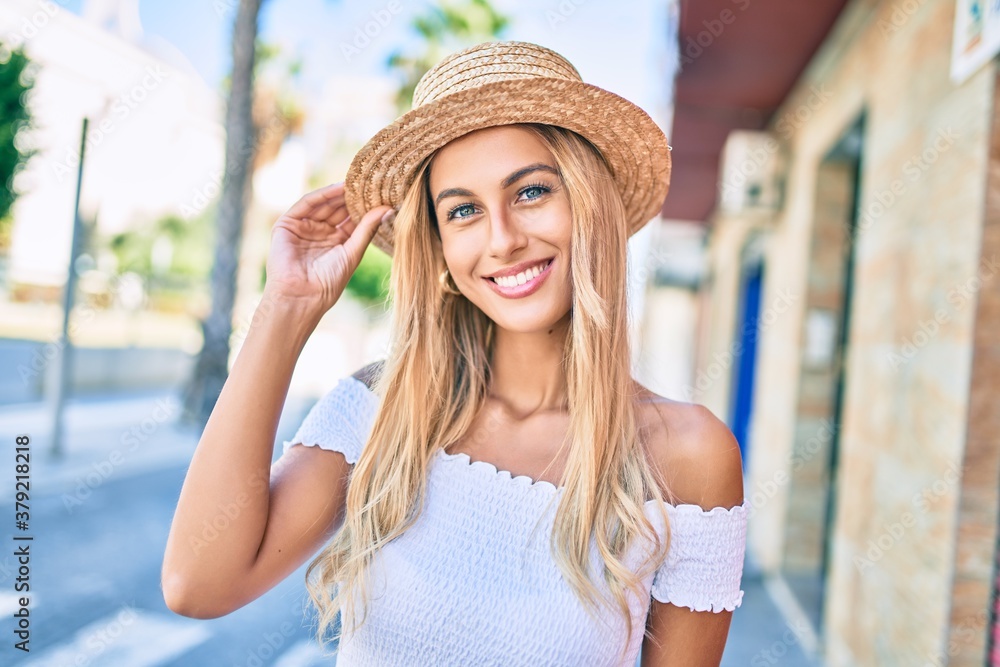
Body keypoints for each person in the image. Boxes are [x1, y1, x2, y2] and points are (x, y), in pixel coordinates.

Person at [162, 40, 748, 666]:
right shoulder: (382, 410)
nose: (502, 239)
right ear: (439, 249)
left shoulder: (689, 456)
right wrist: (287, 308)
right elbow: (199, 584)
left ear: (590, 204)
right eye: (463, 210)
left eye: (531, 192)